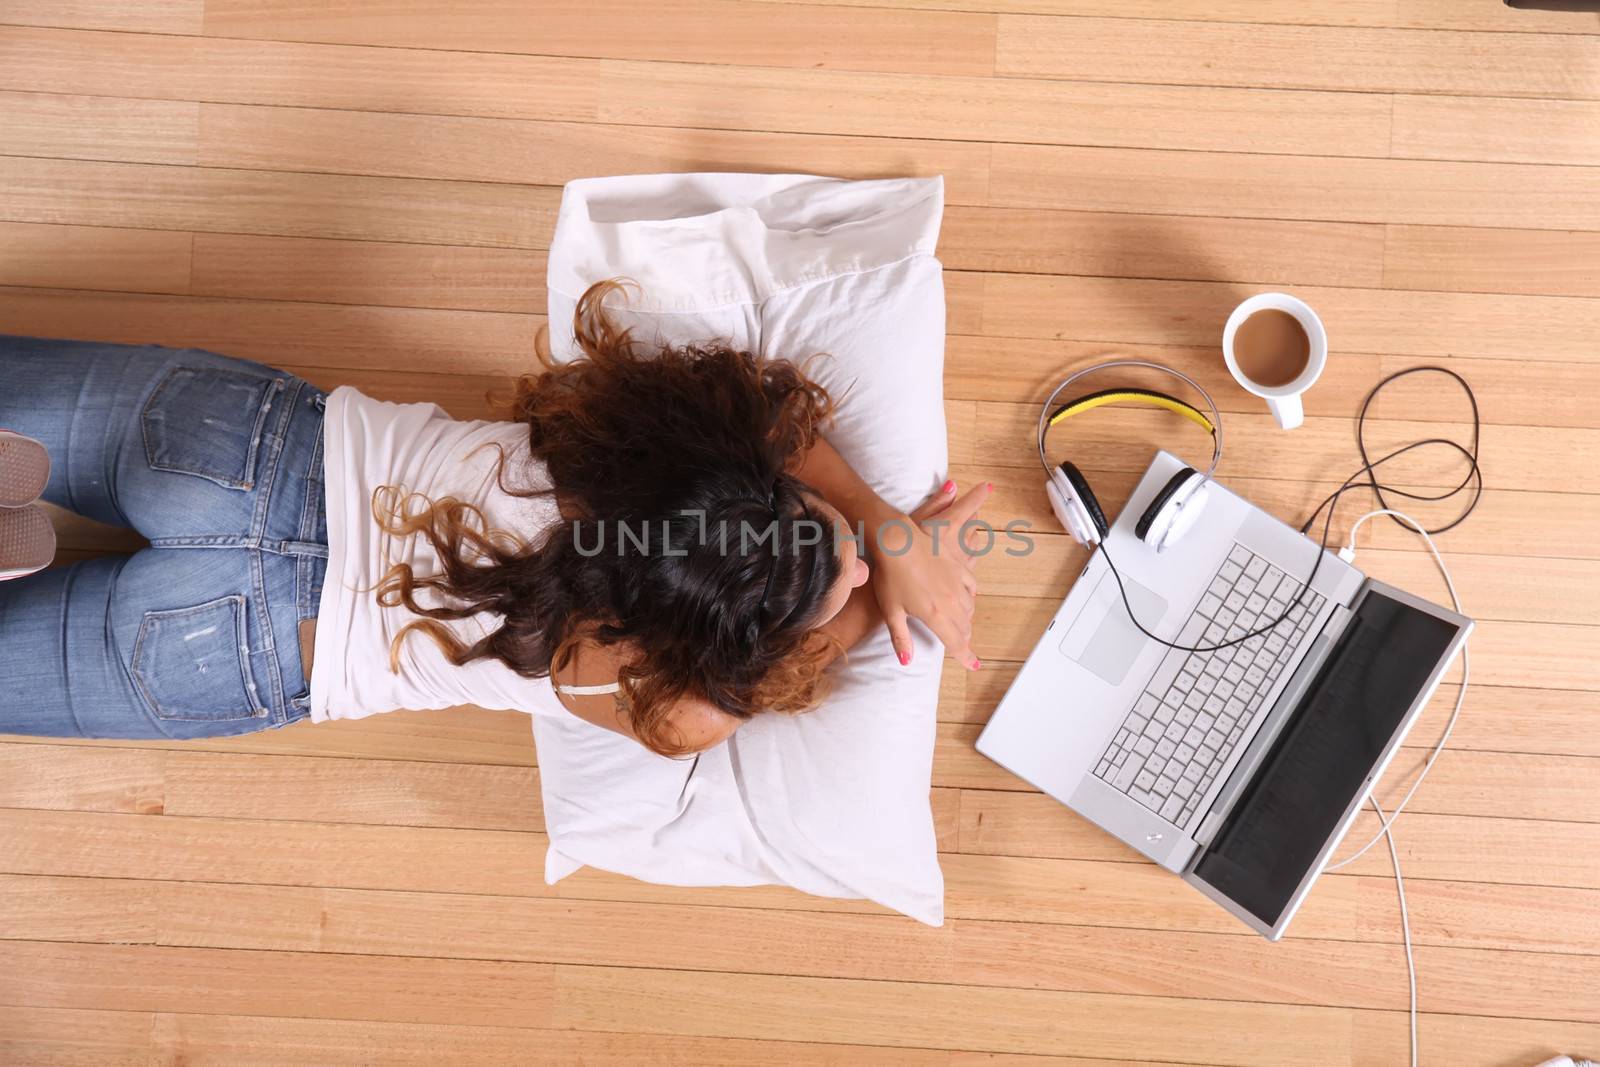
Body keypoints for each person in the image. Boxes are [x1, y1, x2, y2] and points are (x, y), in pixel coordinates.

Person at [0, 281, 987, 756]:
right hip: (244, 646)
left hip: (243, 454)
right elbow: (708, 710)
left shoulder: (636, 449)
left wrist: (882, 526)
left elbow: (766, 419)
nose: (854, 565)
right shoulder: (640, 672)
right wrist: (864, 596)